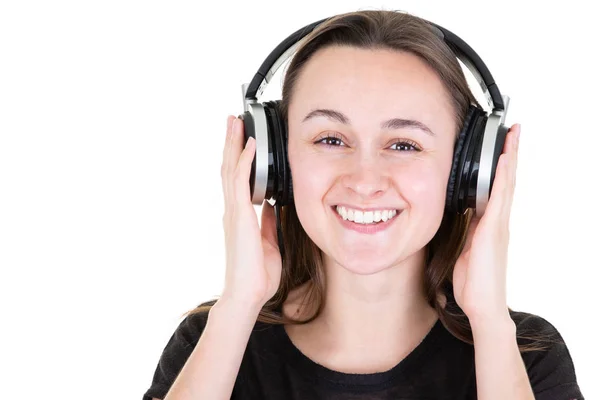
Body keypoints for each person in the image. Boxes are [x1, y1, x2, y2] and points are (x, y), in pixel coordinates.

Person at [143, 10, 584, 400]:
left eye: (405, 144)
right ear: (274, 160)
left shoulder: (523, 354)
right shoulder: (212, 342)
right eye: (330, 139)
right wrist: (239, 304)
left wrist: (489, 322)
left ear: (469, 171)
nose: (365, 181)